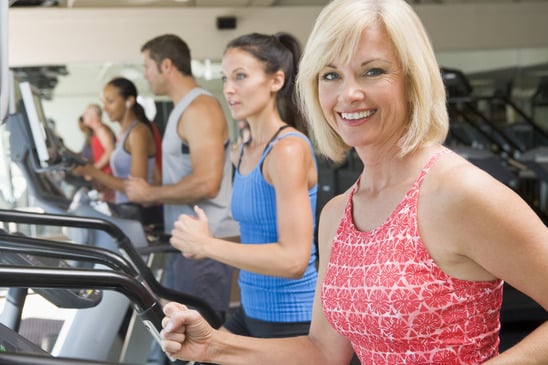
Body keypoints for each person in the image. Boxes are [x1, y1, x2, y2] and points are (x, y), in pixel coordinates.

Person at [160, 0, 548, 364]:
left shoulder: (458, 193)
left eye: (373, 71)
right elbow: (324, 352)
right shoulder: (337, 215)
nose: (348, 94)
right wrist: (213, 345)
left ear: (412, 80)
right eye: (331, 75)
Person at [170, 32, 318, 338]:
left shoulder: (287, 150)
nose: (229, 89)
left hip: (291, 318)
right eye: (225, 78)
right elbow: (259, 237)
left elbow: (293, 260)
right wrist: (208, 243)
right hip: (251, 311)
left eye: (240, 76)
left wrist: (208, 245)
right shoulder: (244, 151)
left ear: (276, 81)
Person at [124, 34, 239, 322]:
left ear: (166, 66)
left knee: (202, 339)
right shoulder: (183, 109)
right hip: (187, 241)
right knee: (181, 333)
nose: (145, 75)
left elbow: (207, 182)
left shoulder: (200, 108)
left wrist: (150, 194)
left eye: (147, 67)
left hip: (206, 243)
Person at [72, 77, 159, 210]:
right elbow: (125, 178)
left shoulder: (138, 132)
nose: (105, 108)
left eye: (110, 102)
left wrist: (93, 171)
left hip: (138, 212)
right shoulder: (124, 133)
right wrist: (107, 184)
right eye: (103, 102)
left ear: (129, 101)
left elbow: (137, 188)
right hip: (126, 207)